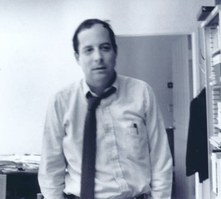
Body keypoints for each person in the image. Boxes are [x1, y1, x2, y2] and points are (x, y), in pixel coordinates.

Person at [38, 19, 173, 199]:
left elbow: (160, 159)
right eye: (88, 50)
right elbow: (50, 170)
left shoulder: (141, 93)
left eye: (105, 47)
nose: (98, 57)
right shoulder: (61, 102)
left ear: (115, 51)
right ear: (77, 57)